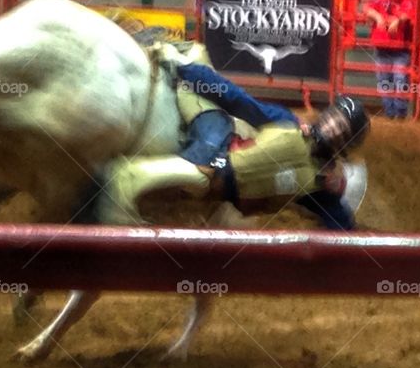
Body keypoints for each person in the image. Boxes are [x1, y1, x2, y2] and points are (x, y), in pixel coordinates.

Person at [102, 41, 370, 229]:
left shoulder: (316, 185)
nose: (334, 127)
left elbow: (340, 222)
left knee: (203, 177)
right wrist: (186, 71)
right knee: (202, 171)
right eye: (335, 119)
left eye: (341, 130)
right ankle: (126, 179)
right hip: (219, 145)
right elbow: (239, 101)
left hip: (225, 172)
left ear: (343, 144)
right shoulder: (287, 123)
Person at [366, 0, 414, 119]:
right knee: (384, 80)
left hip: (400, 48)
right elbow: (367, 8)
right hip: (383, 47)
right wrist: (378, 16)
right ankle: (390, 113)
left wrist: (397, 20)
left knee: (399, 80)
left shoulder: (406, 0)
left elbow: (408, 14)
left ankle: (399, 113)